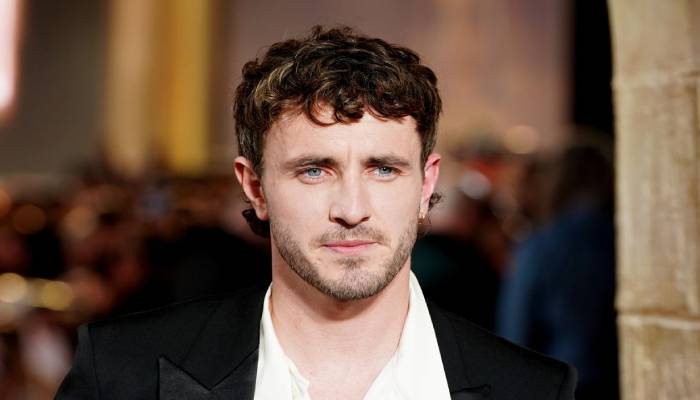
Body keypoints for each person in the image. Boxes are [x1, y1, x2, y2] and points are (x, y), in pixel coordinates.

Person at [55, 26, 576, 400]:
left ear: (426, 184)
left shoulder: (532, 389)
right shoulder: (122, 371)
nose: (351, 209)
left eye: (384, 169)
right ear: (255, 188)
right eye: (314, 171)